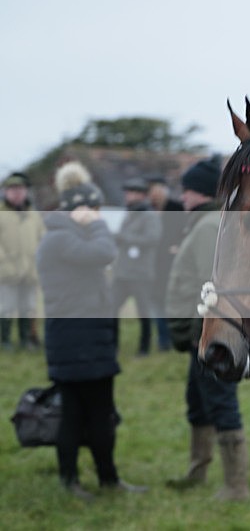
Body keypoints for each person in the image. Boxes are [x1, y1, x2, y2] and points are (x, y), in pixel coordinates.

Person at [36, 161, 147, 500]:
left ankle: (107, 480)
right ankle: (73, 481)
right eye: (94, 210)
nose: (98, 215)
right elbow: (104, 252)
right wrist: (97, 225)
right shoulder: (60, 239)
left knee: (98, 414)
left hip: (87, 339)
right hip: (77, 340)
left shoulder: (62, 236)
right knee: (76, 415)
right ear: (81, 210)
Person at [165, 155, 249, 501]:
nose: (182, 197)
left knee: (220, 402)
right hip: (198, 334)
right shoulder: (206, 222)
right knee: (198, 403)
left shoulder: (207, 226)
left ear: (198, 193)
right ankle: (197, 471)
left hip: (209, 335)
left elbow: (209, 285)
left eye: (187, 191)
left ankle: (236, 486)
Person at [111, 177, 162, 356]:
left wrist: (124, 238)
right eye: (127, 192)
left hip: (140, 273)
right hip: (123, 272)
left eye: (131, 193)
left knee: (143, 312)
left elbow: (153, 238)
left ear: (141, 195)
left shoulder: (149, 215)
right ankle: (112, 345)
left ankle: (144, 348)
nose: (127, 196)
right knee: (111, 308)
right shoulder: (130, 213)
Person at [0, 172, 45, 351]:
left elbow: (43, 238)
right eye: (13, 190)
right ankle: (5, 341)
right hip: (6, 271)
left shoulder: (34, 215)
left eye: (20, 189)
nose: (17, 193)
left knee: (28, 307)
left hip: (30, 271)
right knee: (6, 307)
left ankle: (26, 340)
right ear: (5, 192)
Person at [147, 175, 186, 351]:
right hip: (152, 265)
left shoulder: (176, 208)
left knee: (169, 303)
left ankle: (173, 337)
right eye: (151, 193)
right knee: (156, 302)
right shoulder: (147, 211)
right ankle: (163, 340)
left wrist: (179, 246)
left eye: (157, 192)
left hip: (171, 264)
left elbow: (185, 230)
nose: (154, 196)